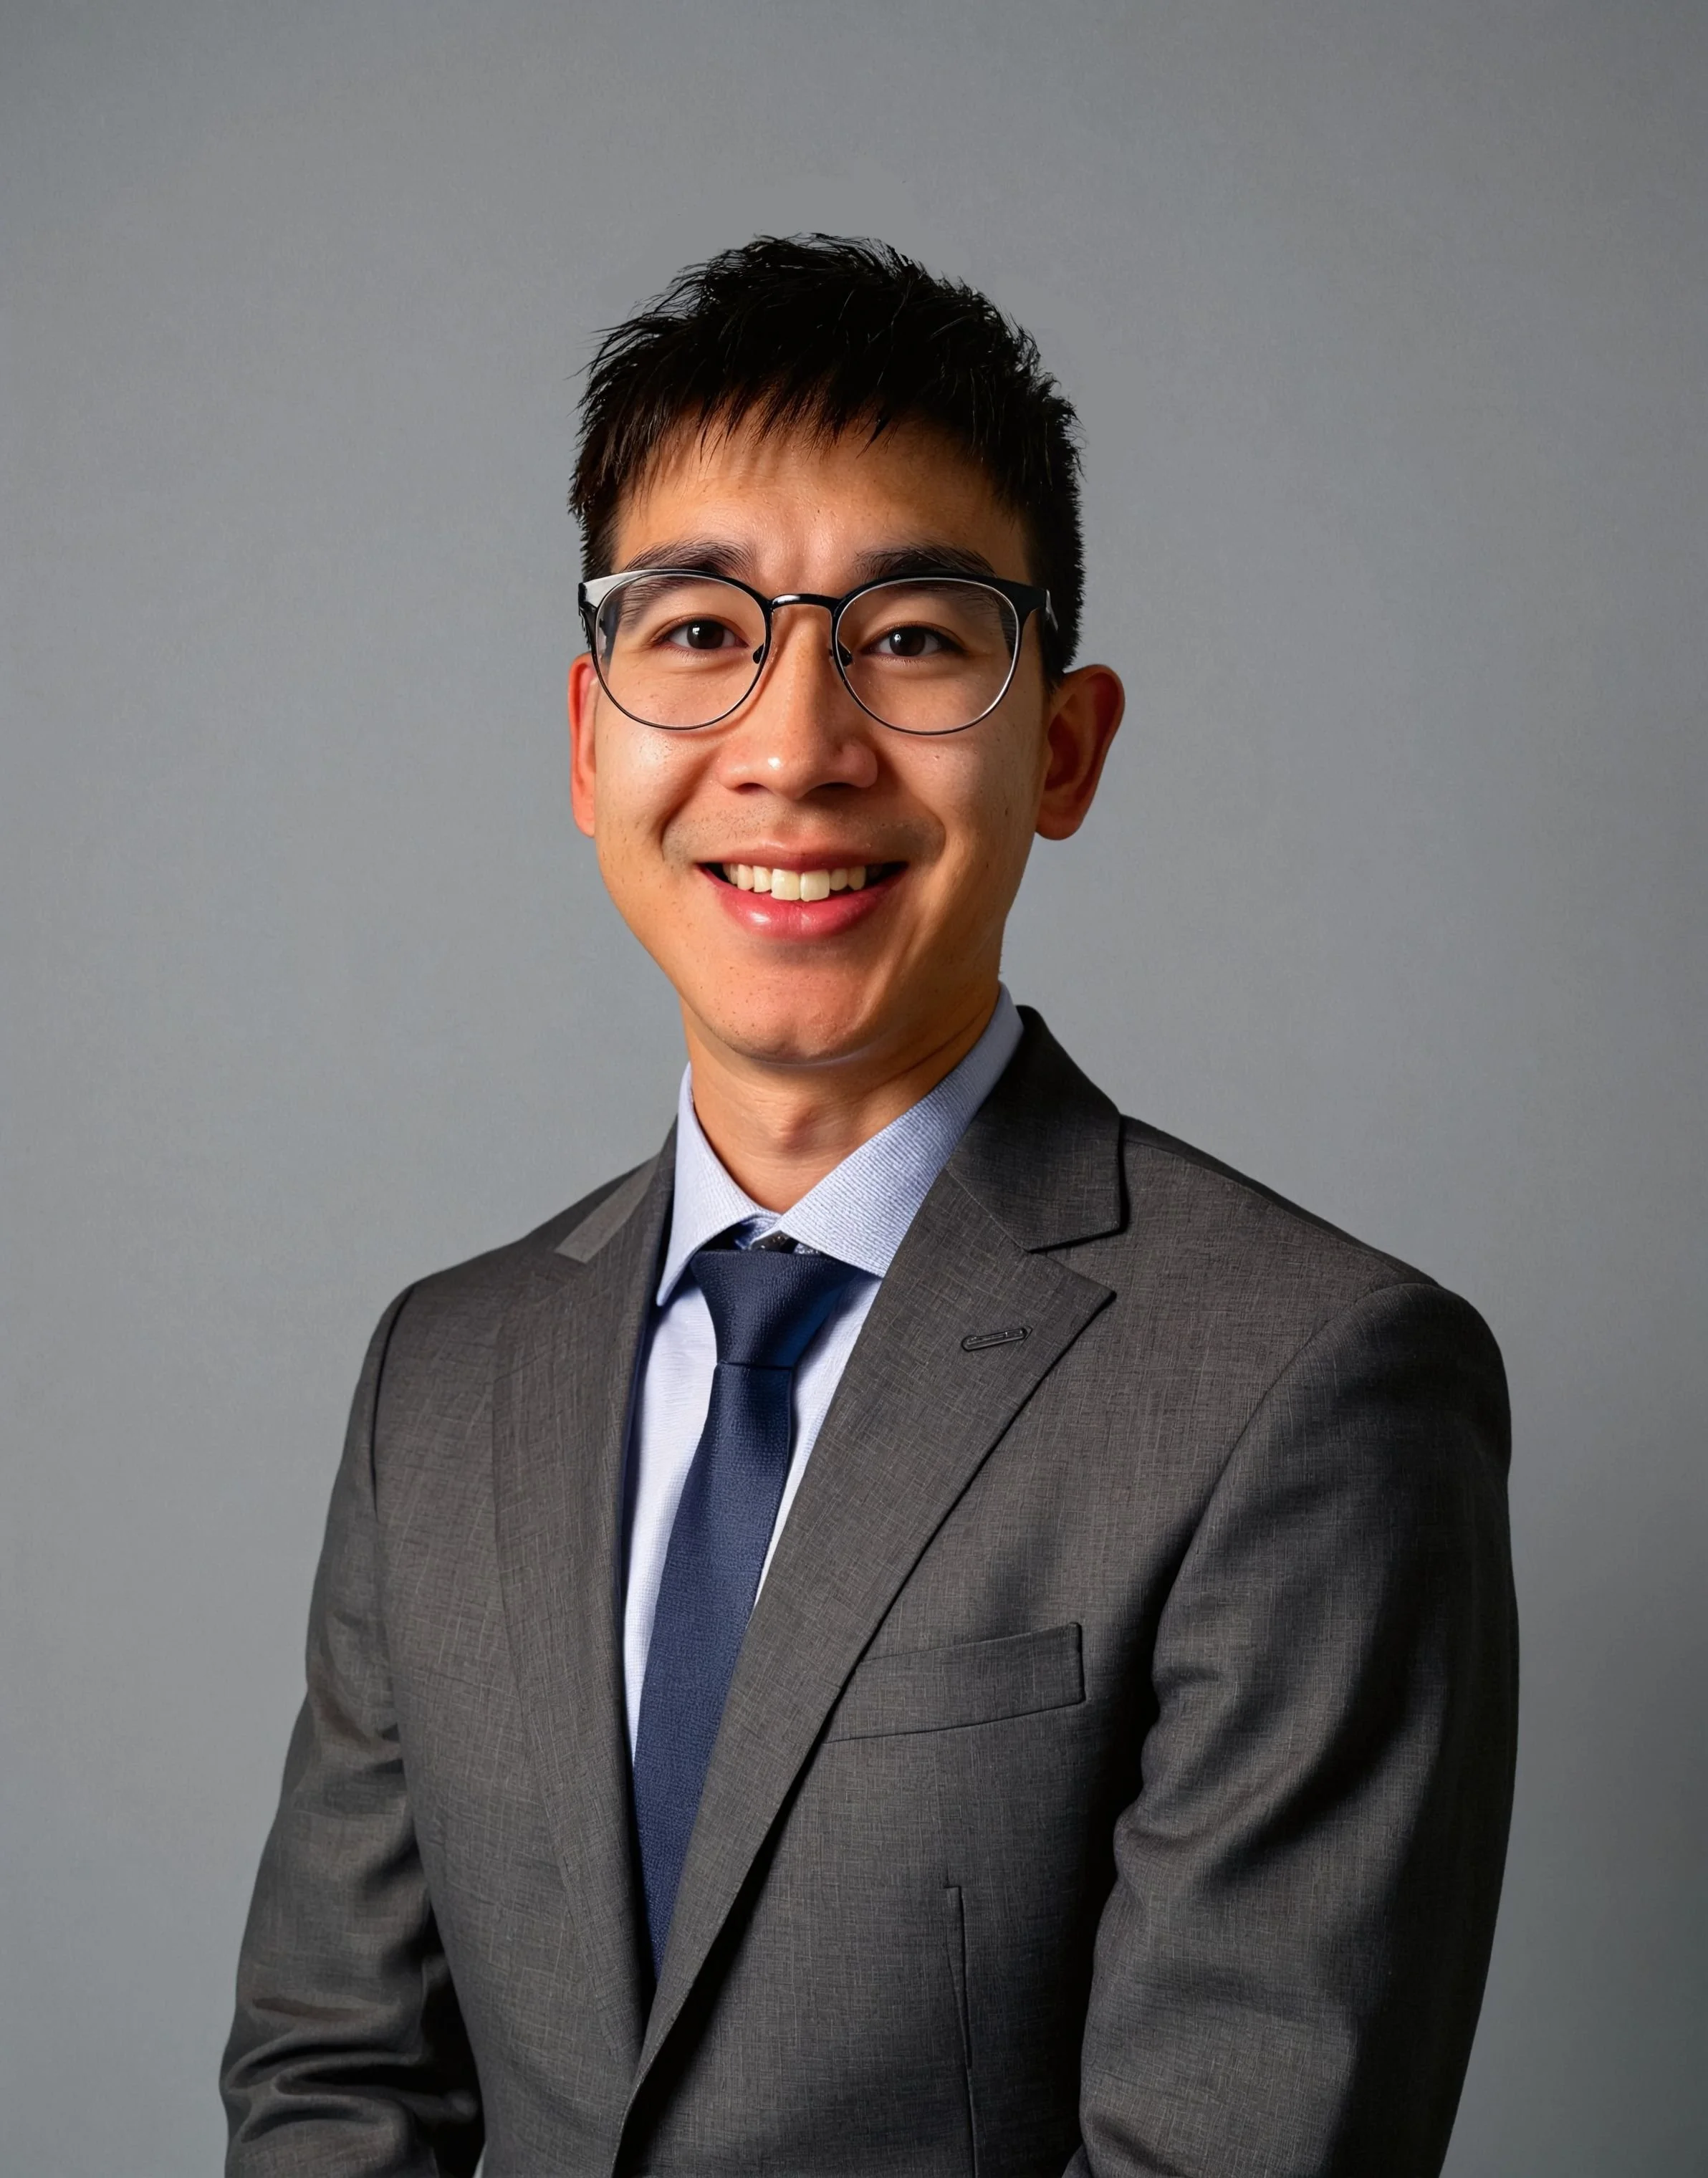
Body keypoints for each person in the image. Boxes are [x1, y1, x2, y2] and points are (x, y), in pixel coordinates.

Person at [222, 235, 1517, 2178]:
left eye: (911, 635)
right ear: (590, 746)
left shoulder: (1308, 1386)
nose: (796, 744)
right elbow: (336, 2091)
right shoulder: (446, 1373)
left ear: (1062, 747)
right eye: (696, 629)